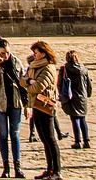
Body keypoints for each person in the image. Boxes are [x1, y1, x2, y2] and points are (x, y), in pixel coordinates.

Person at [0, 38, 27, 178]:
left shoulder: (16, 61)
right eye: (3, 53)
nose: (6, 56)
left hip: (15, 103)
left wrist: (27, 105)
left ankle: (18, 166)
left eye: (7, 53)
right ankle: (6, 167)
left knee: (15, 135)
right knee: (3, 135)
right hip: (0, 104)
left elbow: (23, 84)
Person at [24, 41, 63, 180]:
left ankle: (57, 171)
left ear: (43, 53)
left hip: (45, 106)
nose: (34, 55)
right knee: (44, 139)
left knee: (50, 139)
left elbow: (37, 87)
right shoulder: (33, 66)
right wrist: (28, 81)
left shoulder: (48, 68)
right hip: (35, 104)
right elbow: (22, 80)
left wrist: (28, 83)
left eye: (36, 52)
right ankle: (50, 169)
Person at [59, 49, 91, 149]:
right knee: (83, 119)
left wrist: (61, 95)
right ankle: (86, 141)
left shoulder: (65, 69)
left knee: (75, 119)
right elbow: (88, 84)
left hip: (71, 96)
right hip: (82, 96)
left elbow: (60, 83)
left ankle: (77, 141)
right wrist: (88, 94)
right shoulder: (84, 69)